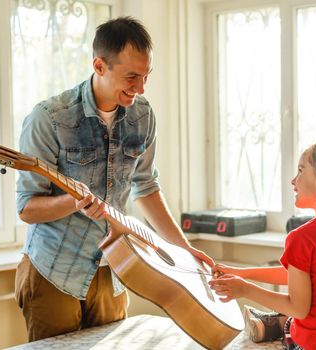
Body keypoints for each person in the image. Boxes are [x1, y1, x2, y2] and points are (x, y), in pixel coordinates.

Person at [14, 16, 213, 341]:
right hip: (53, 272)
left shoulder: (142, 115)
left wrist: (185, 250)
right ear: (99, 65)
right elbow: (27, 208)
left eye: (146, 76)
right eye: (131, 76)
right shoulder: (49, 118)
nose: (141, 88)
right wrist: (71, 202)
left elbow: (146, 187)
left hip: (115, 270)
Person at [209, 138, 316, 350]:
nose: (293, 181)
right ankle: (273, 323)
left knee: (292, 319)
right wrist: (242, 273)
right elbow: (301, 275)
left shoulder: (303, 238)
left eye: (300, 171)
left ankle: (272, 324)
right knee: (292, 319)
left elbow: (298, 308)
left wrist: (245, 289)